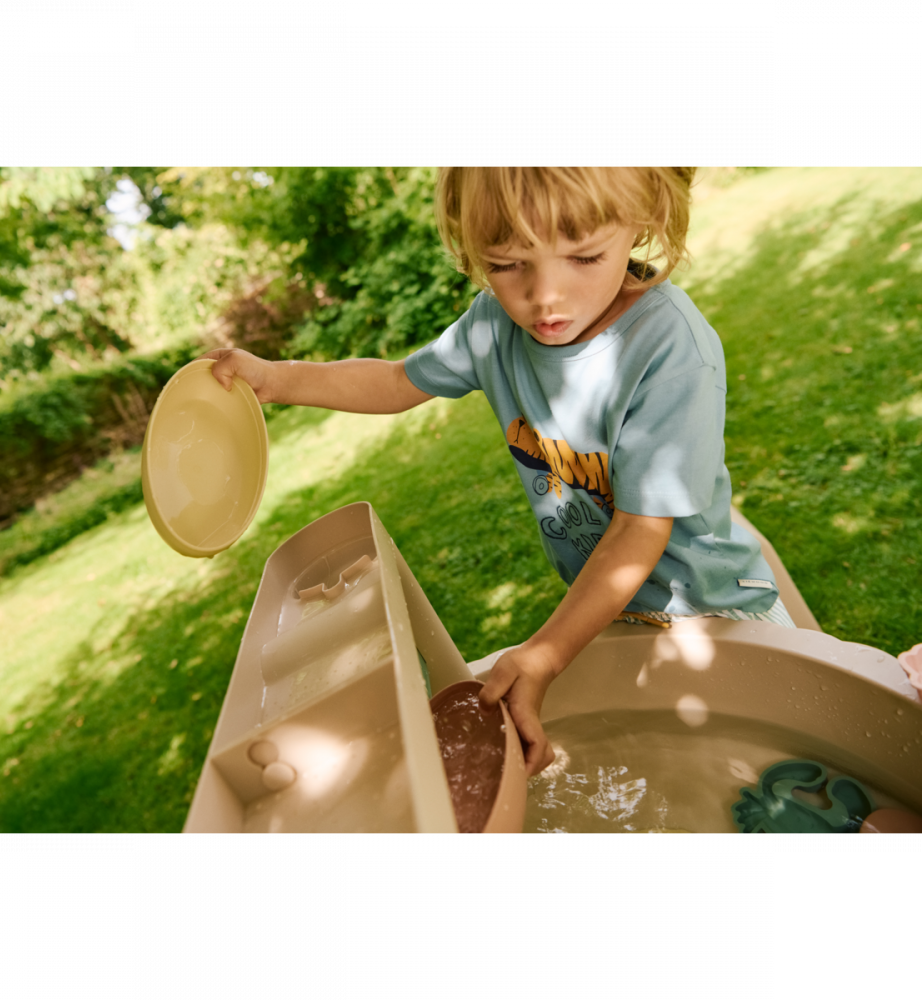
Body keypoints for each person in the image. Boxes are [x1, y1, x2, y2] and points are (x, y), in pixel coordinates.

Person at [201, 165, 793, 776]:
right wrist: (277, 379)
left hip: (714, 615)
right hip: (614, 618)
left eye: (584, 257)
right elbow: (397, 381)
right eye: (508, 264)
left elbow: (641, 529)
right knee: (670, 777)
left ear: (644, 220)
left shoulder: (668, 349)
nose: (545, 296)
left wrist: (543, 655)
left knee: (760, 772)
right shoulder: (493, 328)